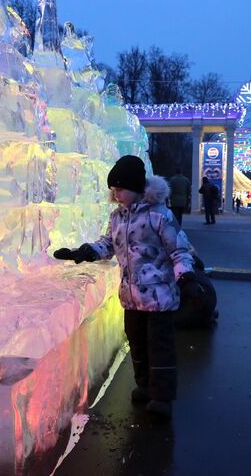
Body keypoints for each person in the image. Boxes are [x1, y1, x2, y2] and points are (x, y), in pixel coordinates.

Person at [53, 155, 200, 418]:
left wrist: (186, 278)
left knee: (159, 347)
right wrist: (83, 252)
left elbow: (179, 250)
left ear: (135, 187)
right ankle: (145, 386)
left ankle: (162, 398)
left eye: (120, 189)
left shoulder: (159, 215)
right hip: (131, 297)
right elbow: (107, 244)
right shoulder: (117, 217)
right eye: (113, 190)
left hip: (159, 297)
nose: (116, 194)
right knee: (138, 343)